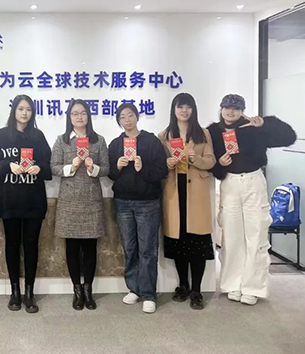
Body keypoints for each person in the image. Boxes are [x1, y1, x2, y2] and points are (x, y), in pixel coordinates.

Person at [208, 94, 296, 306]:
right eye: (227, 107)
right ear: (221, 109)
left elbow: (289, 137)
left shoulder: (254, 127)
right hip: (229, 183)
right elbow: (210, 164)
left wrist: (265, 124)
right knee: (231, 235)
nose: (231, 112)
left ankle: (253, 287)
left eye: (236, 108)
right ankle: (232, 284)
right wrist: (220, 164)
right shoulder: (213, 131)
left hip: (253, 182)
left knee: (256, 234)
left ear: (242, 111)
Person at [0, 94, 52, 313]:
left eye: (28, 109)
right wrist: (9, 165)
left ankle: (29, 292)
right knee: (12, 245)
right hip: (10, 200)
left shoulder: (37, 136)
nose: (24, 113)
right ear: (14, 111)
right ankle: (15, 291)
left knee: (31, 245)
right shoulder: (2, 135)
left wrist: (39, 167)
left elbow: (49, 166)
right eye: (20, 109)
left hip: (33, 200)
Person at [158, 93, 216, 310]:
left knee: (197, 244)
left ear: (193, 109)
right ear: (173, 110)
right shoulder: (164, 135)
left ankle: (197, 290)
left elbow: (211, 161)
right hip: (174, 193)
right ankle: (183, 285)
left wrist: (196, 159)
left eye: (188, 107)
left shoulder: (203, 134)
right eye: (180, 107)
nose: (184, 111)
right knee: (179, 242)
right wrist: (168, 163)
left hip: (196, 194)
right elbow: (158, 164)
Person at [108, 103, 167, 314]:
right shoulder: (116, 144)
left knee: (147, 249)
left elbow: (162, 171)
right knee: (130, 248)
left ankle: (149, 294)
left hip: (147, 202)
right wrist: (118, 166)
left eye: (130, 115)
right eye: (123, 117)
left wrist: (143, 169)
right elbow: (110, 174)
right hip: (123, 202)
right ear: (119, 121)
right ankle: (134, 288)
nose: (127, 120)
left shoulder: (151, 141)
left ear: (137, 117)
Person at [50, 99, 109, 310]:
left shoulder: (98, 140)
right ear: (69, 117)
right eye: (75, 113)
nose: (79, 117)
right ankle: (77, 290)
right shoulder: (62, 140)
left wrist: (94, 168)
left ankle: (88, 290)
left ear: (88, 116)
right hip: (69, 200)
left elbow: (107, 168)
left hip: (91, 200)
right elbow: (53, 167)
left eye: (83, 113)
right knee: (72, 247)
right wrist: (70, 167)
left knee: (90, 247)